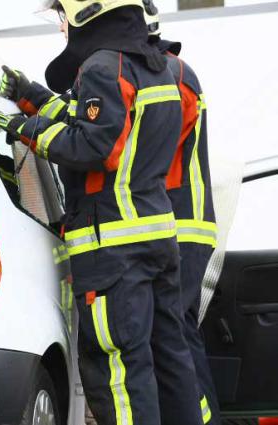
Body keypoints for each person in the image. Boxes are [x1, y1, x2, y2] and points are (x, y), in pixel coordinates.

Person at [0, 1, 203, 424]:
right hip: (157, 240)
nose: (62, 25)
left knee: (122, 373)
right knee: (171, 361)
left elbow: (91, 145)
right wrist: (30, 96)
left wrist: (22, 128)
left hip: (113, 253)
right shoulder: (167, 70)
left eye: (62, 15)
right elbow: (90, 121)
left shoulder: (103, 68)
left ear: (86, 13)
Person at [147, 5, 220, 424]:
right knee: (180, 330)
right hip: (180, 224)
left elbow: (142, 150)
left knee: (172, 332)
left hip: (181, 224)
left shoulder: (173, 75)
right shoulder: (171, 72)